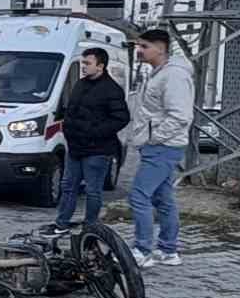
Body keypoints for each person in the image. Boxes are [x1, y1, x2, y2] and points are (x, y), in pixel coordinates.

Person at [43, 47, 132, 236]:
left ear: (100, 66)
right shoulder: (80, 84)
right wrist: (68, 129)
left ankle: (91, 227)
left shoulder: (111, 89)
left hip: (98, 150)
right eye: (83, 63)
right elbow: (71, 110)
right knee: (68, 187)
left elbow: (121, 118)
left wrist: (95, 132)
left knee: (93, 191)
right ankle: (62, 224)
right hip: (75, 148)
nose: (83, 67)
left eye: (87, 63)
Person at [127, 29, 194, 268]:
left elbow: (181, 116)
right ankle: (168, 250)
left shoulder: (173, 76)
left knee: (139, 195)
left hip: (163, 147)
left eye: (144, 46)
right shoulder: (160, 73)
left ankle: (142, 250)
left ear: (160, 48)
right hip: (159, 145)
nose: (140, 51)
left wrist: (155, 138)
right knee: (163, 198)